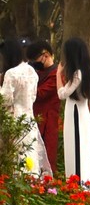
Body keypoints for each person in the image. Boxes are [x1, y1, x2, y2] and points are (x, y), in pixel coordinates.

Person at [1, 39, 49, 176]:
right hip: (29, 118)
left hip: (14, 118)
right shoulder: (32, 72)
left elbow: (5, 100)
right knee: (28, 152)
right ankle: (31, 184)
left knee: (14, 155)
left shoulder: (11, 73)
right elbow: (33, 96)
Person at [57, 37, 90, 191]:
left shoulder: (77, 74)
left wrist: (58, 76)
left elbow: (62, 94)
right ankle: (83, 184)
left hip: (75, 115)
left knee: (76, 150)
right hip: (81, 113)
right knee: (81, 149)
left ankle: (78, 186)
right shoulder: (84, 71)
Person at [25, 40, 60, 171]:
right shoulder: (38, 72)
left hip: (48, 120)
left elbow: (40, 94)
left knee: (47, 152)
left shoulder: (56, 73)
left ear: (45, 55)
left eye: (36, 59)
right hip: (35, 116)